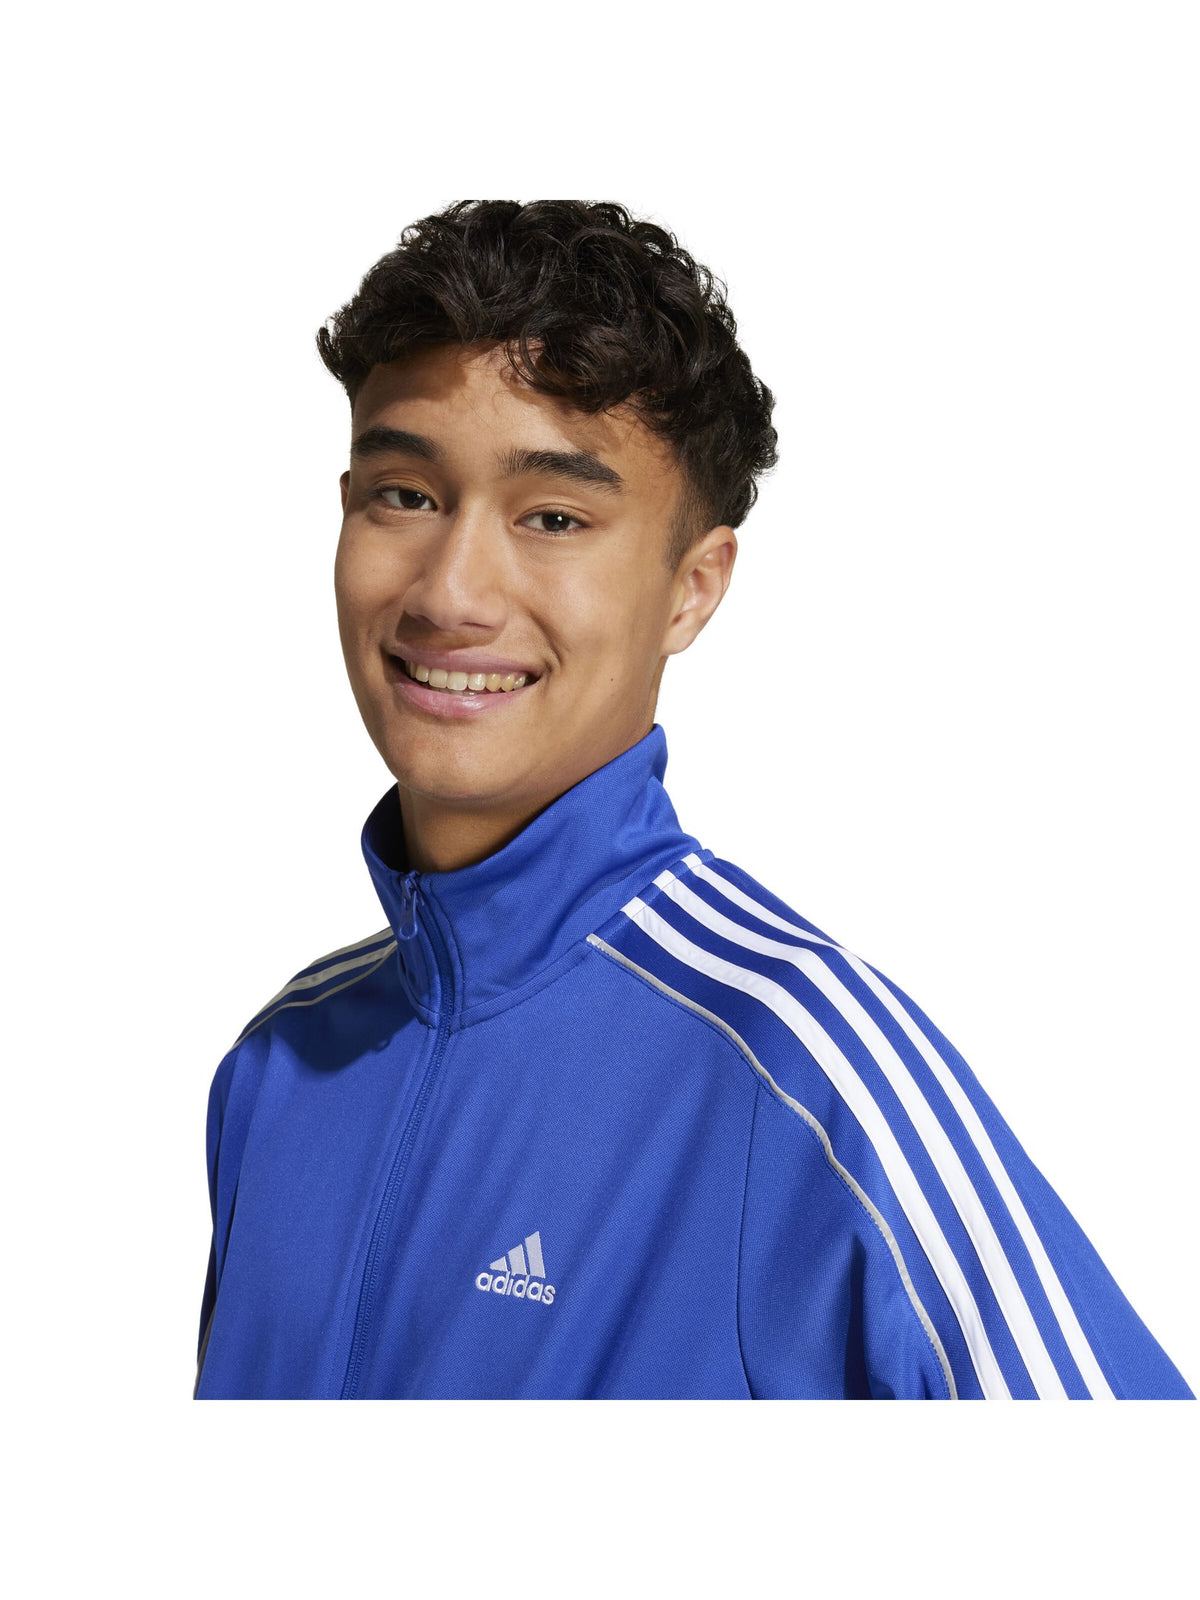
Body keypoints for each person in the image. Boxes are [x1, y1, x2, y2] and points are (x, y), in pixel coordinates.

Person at [195, 199, 1191, 1400]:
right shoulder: (279, 1066)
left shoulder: (809, 1069)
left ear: (692, 589)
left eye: (553, 516)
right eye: (404, 495)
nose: (451, 592)